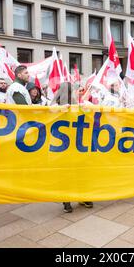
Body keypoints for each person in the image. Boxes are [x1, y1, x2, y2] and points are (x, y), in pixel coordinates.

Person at [51, 82, 93, 213]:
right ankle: (67, 200)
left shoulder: (78, 105)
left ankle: (81, 197)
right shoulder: (54, 106)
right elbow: (49, 112)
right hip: (64, 147)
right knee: (67, 173)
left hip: (77, 144)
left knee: (80, 172)